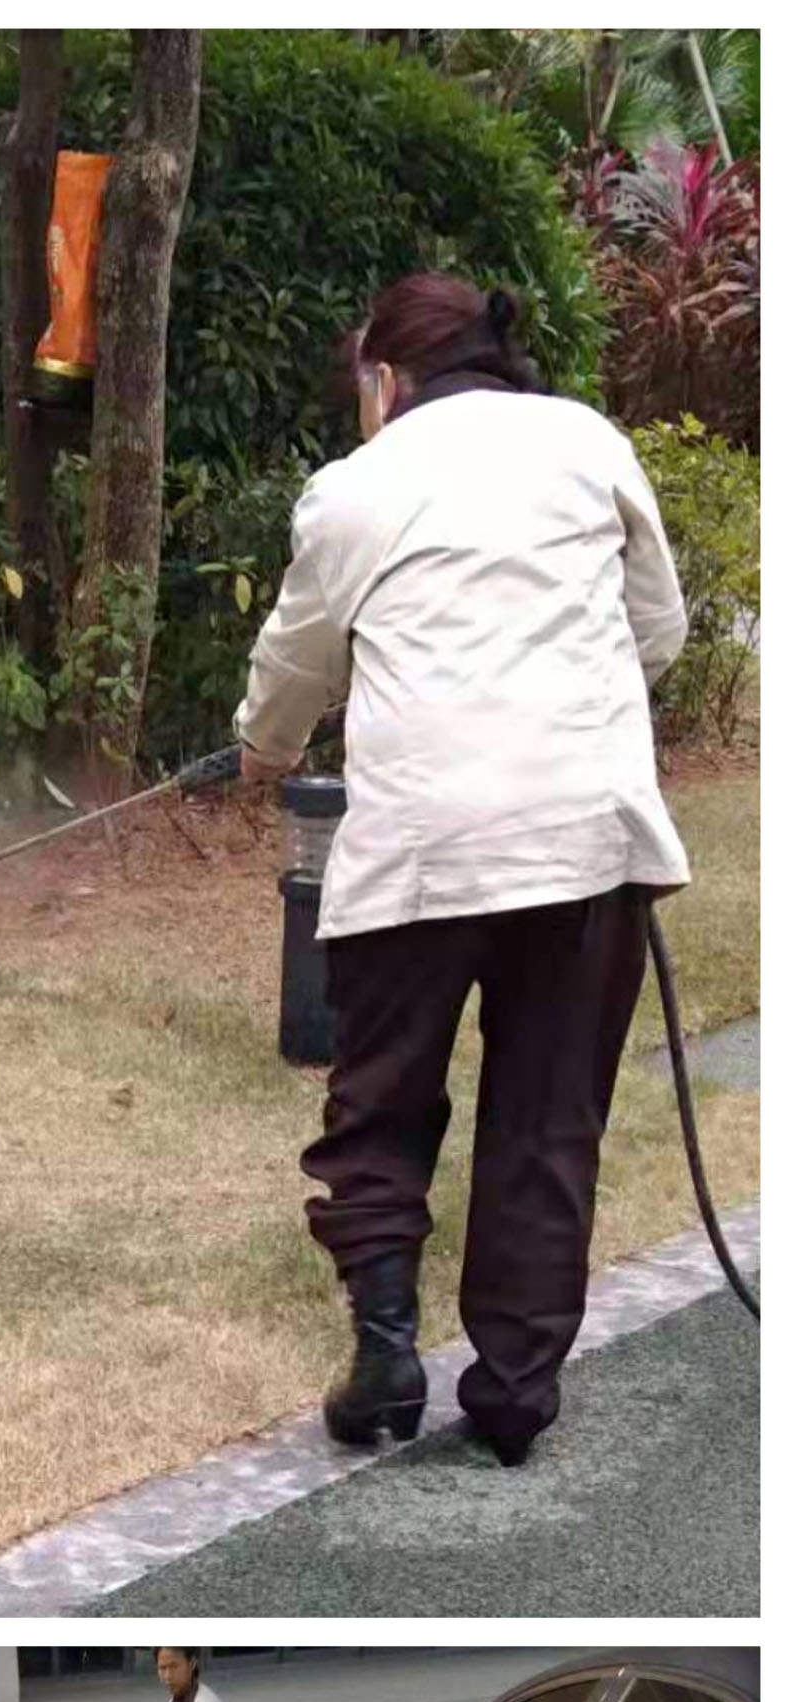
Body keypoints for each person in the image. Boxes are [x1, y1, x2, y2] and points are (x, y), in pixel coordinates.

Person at [235, 273, 690, 1466]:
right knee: (547, 1120)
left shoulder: (355, 487)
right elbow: (659, 628)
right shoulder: (588, 441)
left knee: (380, 1098)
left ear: (384, 378)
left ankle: (387, 1358)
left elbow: (297, 660)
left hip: (423, 849)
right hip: (588, 845)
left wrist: (261, 747)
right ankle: (515, 1397)